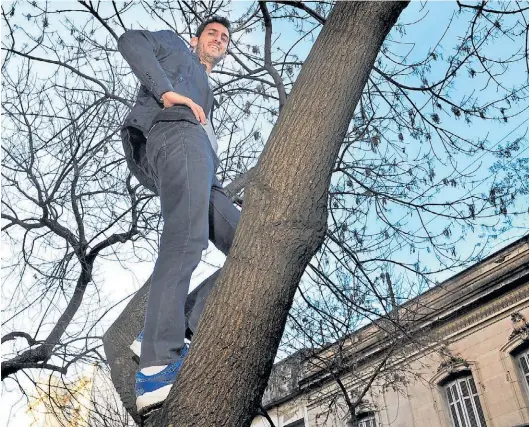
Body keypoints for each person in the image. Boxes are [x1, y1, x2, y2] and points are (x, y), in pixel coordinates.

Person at [118, 16, 239, 415]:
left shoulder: (208, 90)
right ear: (195, 39)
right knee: (187, 237)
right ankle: (156, 363)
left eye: (224, 38)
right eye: (212, 34)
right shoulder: (175, 48)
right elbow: (132, 39)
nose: (219, 40)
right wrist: (167, 92)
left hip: (206, 167)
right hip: (174, 134)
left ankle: (169, 324)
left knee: (252, 245)